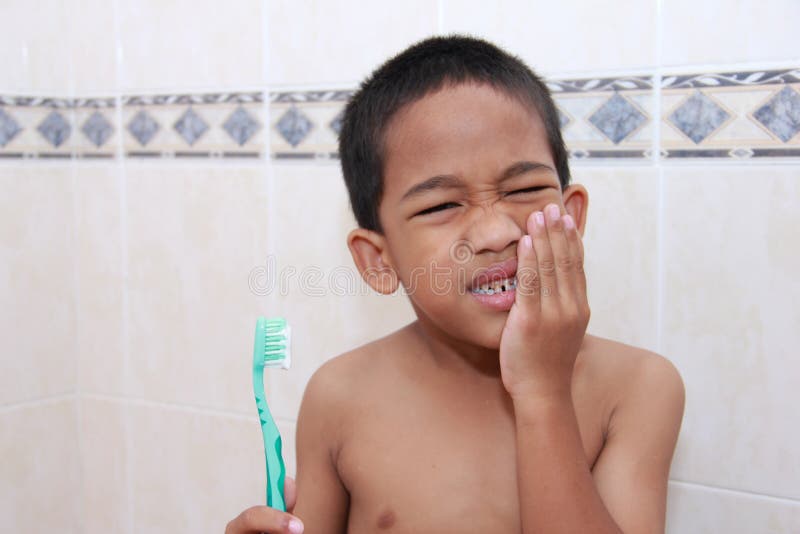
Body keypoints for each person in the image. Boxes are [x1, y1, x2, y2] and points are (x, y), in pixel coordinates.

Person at [226, 35, 685, 534]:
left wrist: (543, 394)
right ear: (379, 261)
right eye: (441, 205)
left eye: (525, 190)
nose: (495, 233)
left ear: (571, 217)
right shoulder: (339, 397)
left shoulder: (637, 389)